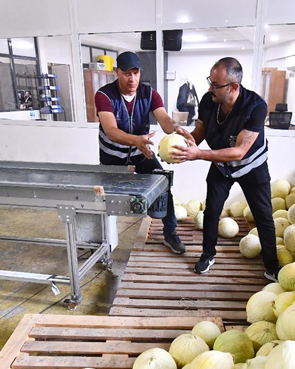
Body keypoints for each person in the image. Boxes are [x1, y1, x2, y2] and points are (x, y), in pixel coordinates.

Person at [171, 57, 279, 281]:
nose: (210, 88)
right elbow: (200, 130)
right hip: (221, 164)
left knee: (264, 217)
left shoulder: (256, 107)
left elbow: (240, 151)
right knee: (212, 210)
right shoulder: (209, 101)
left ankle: (272, 267)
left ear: (234, 87)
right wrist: (186, 143)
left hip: (252, 167)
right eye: (210, 82)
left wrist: (198, 155)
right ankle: (207, 254)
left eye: (215, 85)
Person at [94, 51, 186, 254]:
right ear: (117, 72)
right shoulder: (104, 95)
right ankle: (102, 241)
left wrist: (178, 129)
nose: (132, 78)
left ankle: (170, 233)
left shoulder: (149, 93)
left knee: (163, 183)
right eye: (127, 73)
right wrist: (136, 140)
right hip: (112, 156)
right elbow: (110, 130)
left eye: (136, 73)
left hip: (141, 152)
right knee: (104, 199)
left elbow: (164, 121)